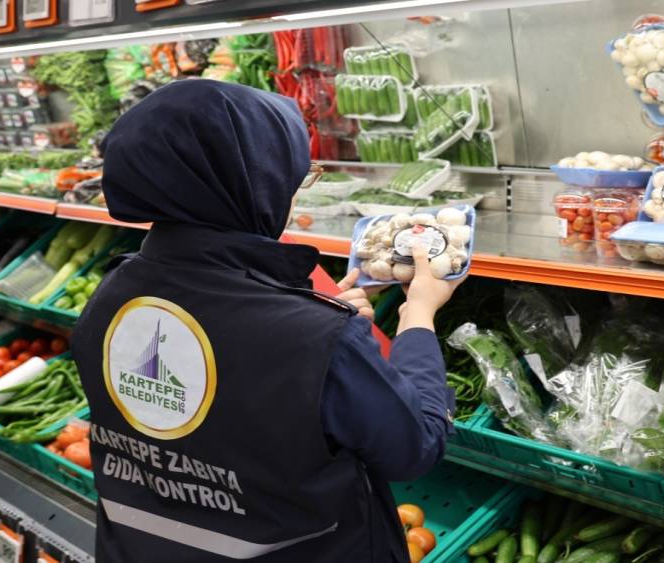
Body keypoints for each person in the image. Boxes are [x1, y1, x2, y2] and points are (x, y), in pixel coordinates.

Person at [71, 79, 462, 562]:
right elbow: (414, 448)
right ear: (249, 185)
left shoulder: (112, 293)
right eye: (292, 177)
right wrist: (417, 314)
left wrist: (308, 312)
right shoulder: (314, 337)